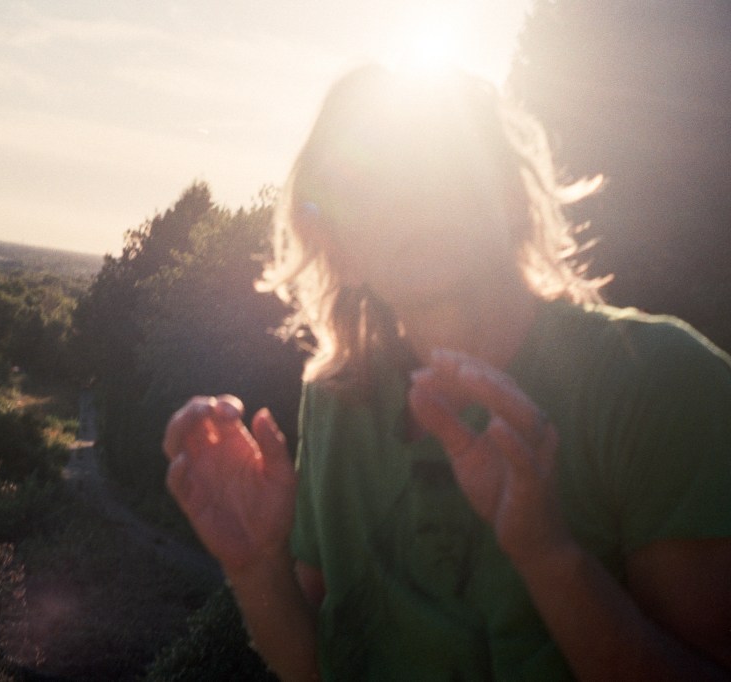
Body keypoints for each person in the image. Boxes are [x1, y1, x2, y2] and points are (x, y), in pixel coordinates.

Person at [162, 64, 731, 680]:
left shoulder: (660, 382)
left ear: (513, 194)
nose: (408, 198)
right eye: (365, 185)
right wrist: (255, 569)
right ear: (339, 251)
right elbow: (319, 668)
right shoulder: (335, 404)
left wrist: (548, 557)